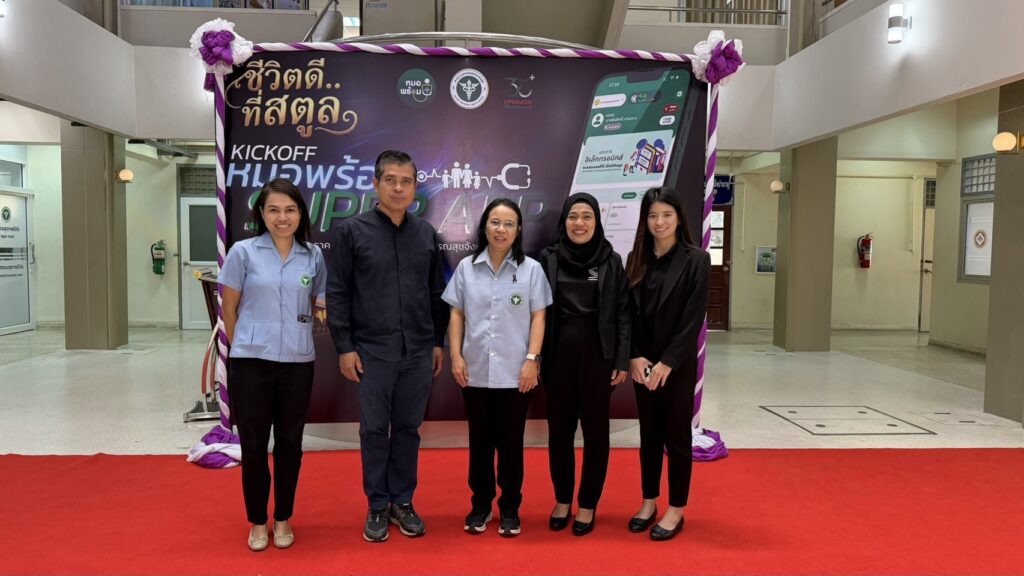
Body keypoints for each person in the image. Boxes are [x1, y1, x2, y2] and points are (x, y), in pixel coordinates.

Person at [326, 150, 448, 543]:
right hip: (372, 351)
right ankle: (377, 504)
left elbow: (436, 293)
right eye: (390, 180)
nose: (398, 188)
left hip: (418, 351)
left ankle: (403, 501)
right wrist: (344, 346)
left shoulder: (425, 234)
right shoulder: (351, 232)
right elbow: (338, 292)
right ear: (376, 183)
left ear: (415, 187)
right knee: (375, 430)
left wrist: (437, 342)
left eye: (406, 181)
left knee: (409, 429)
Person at [218, 178, 326, 552]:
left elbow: (318, 304)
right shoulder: (243, 253)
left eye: (290, 210)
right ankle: (257, 521)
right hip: (251, 363)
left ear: (301, 214)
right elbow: (229, 309)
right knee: (253, 444)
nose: (283, 217)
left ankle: (283, 517)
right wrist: (244, 346)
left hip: (297, 362)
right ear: (261, 214)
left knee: (290, 444)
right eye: (274, 210)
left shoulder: (313, 256)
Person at [442, 198, 552, 538]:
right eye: (495, 222)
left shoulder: (531, 270)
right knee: (480, 444)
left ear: (518, 230)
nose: (501, 229)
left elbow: (539, 316)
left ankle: (510, 508)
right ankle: (480, 505)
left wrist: (532, 360)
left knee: (510, 444)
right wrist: (456, 356)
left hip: (516, 374)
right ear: (484, 227)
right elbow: (456, 313)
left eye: (508, 224)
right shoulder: (467, 268)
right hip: (474, 371)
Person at [537, 192, 630, 537]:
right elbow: (535, 311)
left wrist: (621, 358)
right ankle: (563, 499)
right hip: (557, 357)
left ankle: (588, 503)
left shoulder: (611, 260)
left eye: (587, 216)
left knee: (596, 434)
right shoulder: (547, 258)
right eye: (573, 216)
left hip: (598, 358)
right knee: (559, 433)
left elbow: (623, 313)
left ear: (597, 221)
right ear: (564, 221)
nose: (579, 223)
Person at [625, 187, 710, 542]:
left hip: (676, 366)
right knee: (648, 436)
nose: (659, 222)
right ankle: (648, 502)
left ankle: (676, 508)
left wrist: (667, 363)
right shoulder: (636, 258)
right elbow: (627, 314)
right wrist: (634, 355)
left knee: (676, 437)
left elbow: (692, 319)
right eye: (653, 216)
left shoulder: (696, 259)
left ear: (678, 218)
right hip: (643, 364)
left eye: (666, 215)